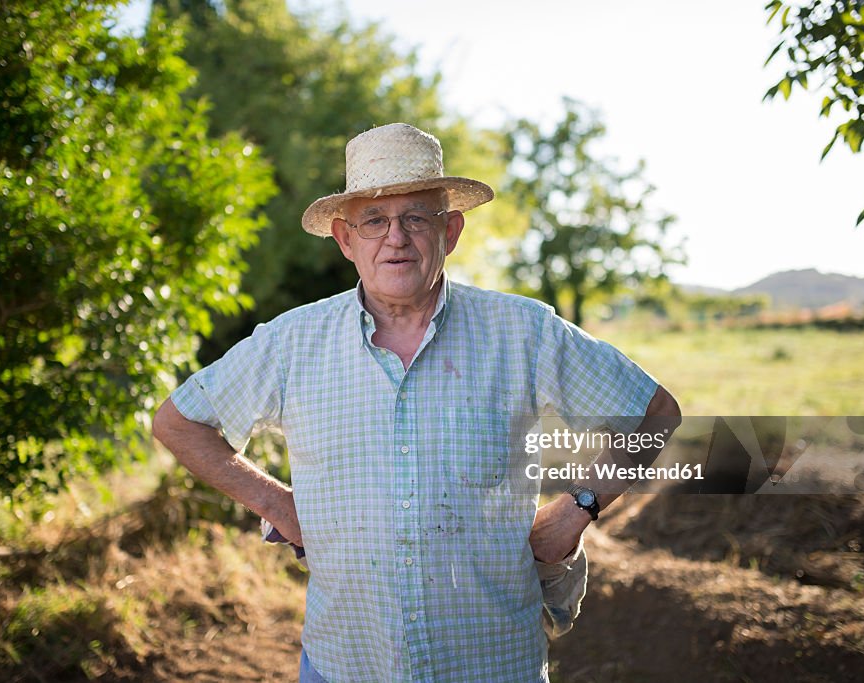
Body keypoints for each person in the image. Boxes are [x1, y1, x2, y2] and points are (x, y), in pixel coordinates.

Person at [152, 123, 681, 682]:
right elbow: (180, 423)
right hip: (346, 667)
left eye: (415, 218)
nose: (395, 238)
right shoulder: (291, 342)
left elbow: (655, 415)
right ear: (345, 239)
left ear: (449, 231)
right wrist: (278, 505)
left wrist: (580, 505)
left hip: (493, 666)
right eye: (374, 221)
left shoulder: (523, 332)